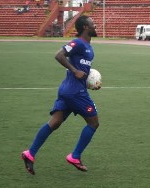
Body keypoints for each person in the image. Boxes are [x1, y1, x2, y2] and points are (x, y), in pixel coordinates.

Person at [21, 15, 100, 175]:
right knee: (93, 123)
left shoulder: (89, 47)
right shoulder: (77, 43)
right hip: (75, 92)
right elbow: (59, 55)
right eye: (92, 23)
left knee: (54, 122)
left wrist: (90, 82)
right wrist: (74, 70)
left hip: (69, 90)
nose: (95, 25)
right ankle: (75, 156)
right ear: (85, 27)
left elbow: (82, 72)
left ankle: (30, 154)